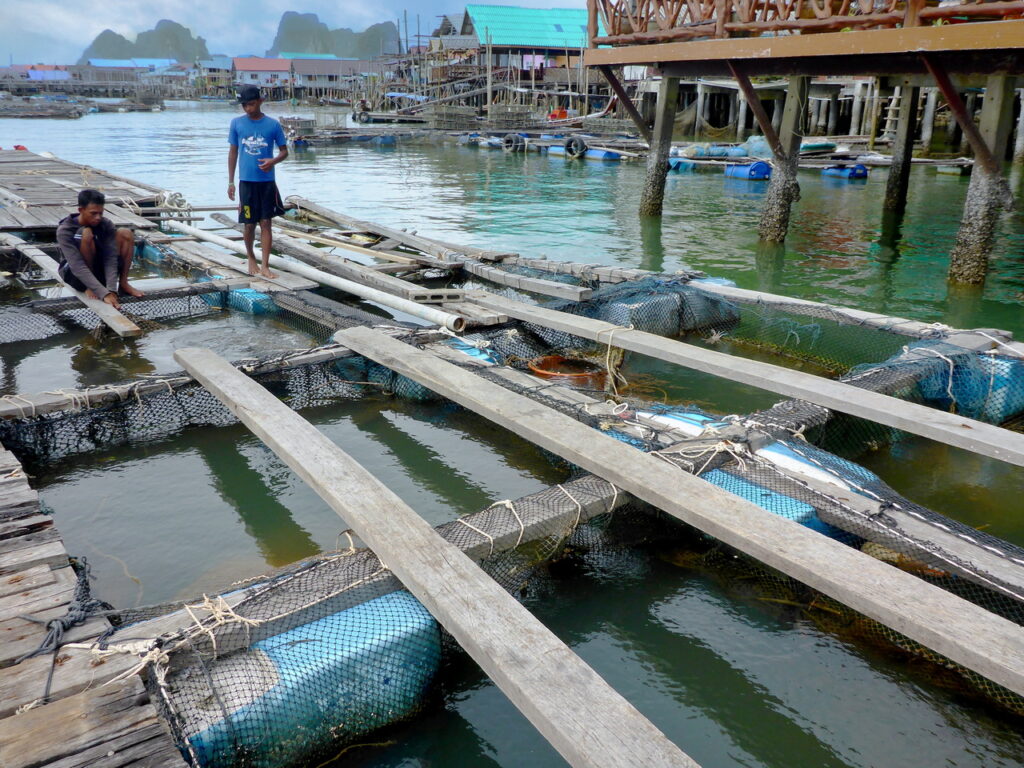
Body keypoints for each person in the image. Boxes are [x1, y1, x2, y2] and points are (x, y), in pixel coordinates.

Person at [228, 85, 288, 279]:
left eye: (251, 104)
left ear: (260, 101)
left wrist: (273, 161)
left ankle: (265, 264)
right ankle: (251, 257)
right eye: (244, 105)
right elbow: (233, 152)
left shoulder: (272, 125)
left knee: (266, 222)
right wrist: (230, 182)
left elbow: (284, 151)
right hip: (246, 182)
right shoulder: (237, 124)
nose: (248, 109)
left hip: (266, 182)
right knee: (248, 224)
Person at [55, 188, 143, 308]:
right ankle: (90, 286)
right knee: (86, 233)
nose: (98, 217)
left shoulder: (105, 224)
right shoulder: (64, 231)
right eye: (93, 213)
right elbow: (78, 267)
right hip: (75, 274)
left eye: (100, 213)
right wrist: (103, 293)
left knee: (125, 233)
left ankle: (123, 284)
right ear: (81, 210)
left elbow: (110, 258)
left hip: (98, 268)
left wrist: (112, 289)